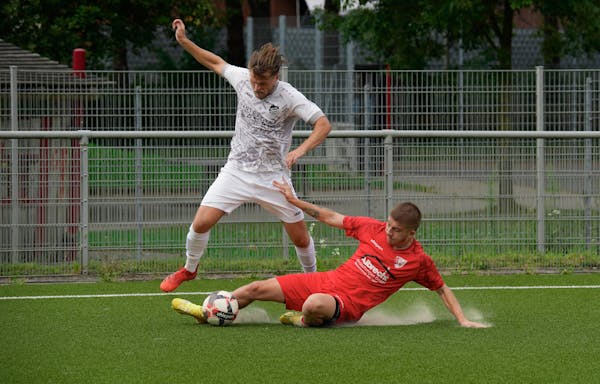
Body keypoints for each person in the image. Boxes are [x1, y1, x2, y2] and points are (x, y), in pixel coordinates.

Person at [171, 179, 489, 328]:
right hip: (327, 279)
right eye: (389, 225)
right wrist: (295, 202)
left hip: (347, 304)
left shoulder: (418, 261)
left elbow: (441, 288)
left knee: (313, 306)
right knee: (256, 288)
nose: (388, 231)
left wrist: (463, 320)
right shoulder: (372, 228)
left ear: (411, 233)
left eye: (395, 229)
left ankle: (304, 321)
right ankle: (209, 310)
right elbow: (329, 216)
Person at [160, 19, 332, 292]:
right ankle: (189, 269)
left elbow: (323, 124)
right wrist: (183, 41)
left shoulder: (289, 97)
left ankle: (312, 281)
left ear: (276, 77)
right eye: (253, 79)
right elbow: (215, 62)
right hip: (236, 171)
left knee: (299, 238)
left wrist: (300, 149)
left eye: (262, 82)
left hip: (273, 178)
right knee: (201, 222)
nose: (256, 86)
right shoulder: (243, 78)